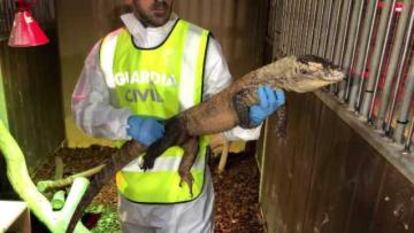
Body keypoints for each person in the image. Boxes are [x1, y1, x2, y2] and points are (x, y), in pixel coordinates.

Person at [71, 0, 285, 232]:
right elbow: (83, 111)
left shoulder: (201, 45)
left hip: (187, 208)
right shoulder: (107, 49)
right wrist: (127, 123)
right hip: (133, 201)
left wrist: (249, 119)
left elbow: (222, 116)